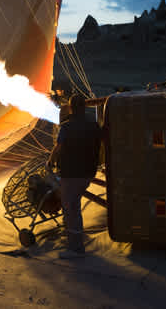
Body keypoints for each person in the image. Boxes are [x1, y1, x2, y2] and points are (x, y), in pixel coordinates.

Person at [46, 93, 101, 259]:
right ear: (84, 107)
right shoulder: (94, 125)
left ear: (70, 108)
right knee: (74, 205)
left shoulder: (67, 127)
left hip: (71, 173)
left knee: (71, 208)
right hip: (88, 172)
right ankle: (73, 237)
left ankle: (75, 248)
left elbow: (59, 147)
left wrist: (50, 161)